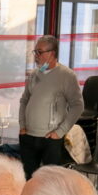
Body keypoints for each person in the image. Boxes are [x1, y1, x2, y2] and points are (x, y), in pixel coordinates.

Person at [18, 35, 84, 179]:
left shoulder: (67, 76)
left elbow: (77, 106)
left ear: (52, 53)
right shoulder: (34, 74)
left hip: (50, 138)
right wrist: (22, 126)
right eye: (35, 52)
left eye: (39, 52)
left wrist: (60, 132)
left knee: (50, 182)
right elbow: (24, 101)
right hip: (28, 136)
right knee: (28, 180)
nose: (36, 56)